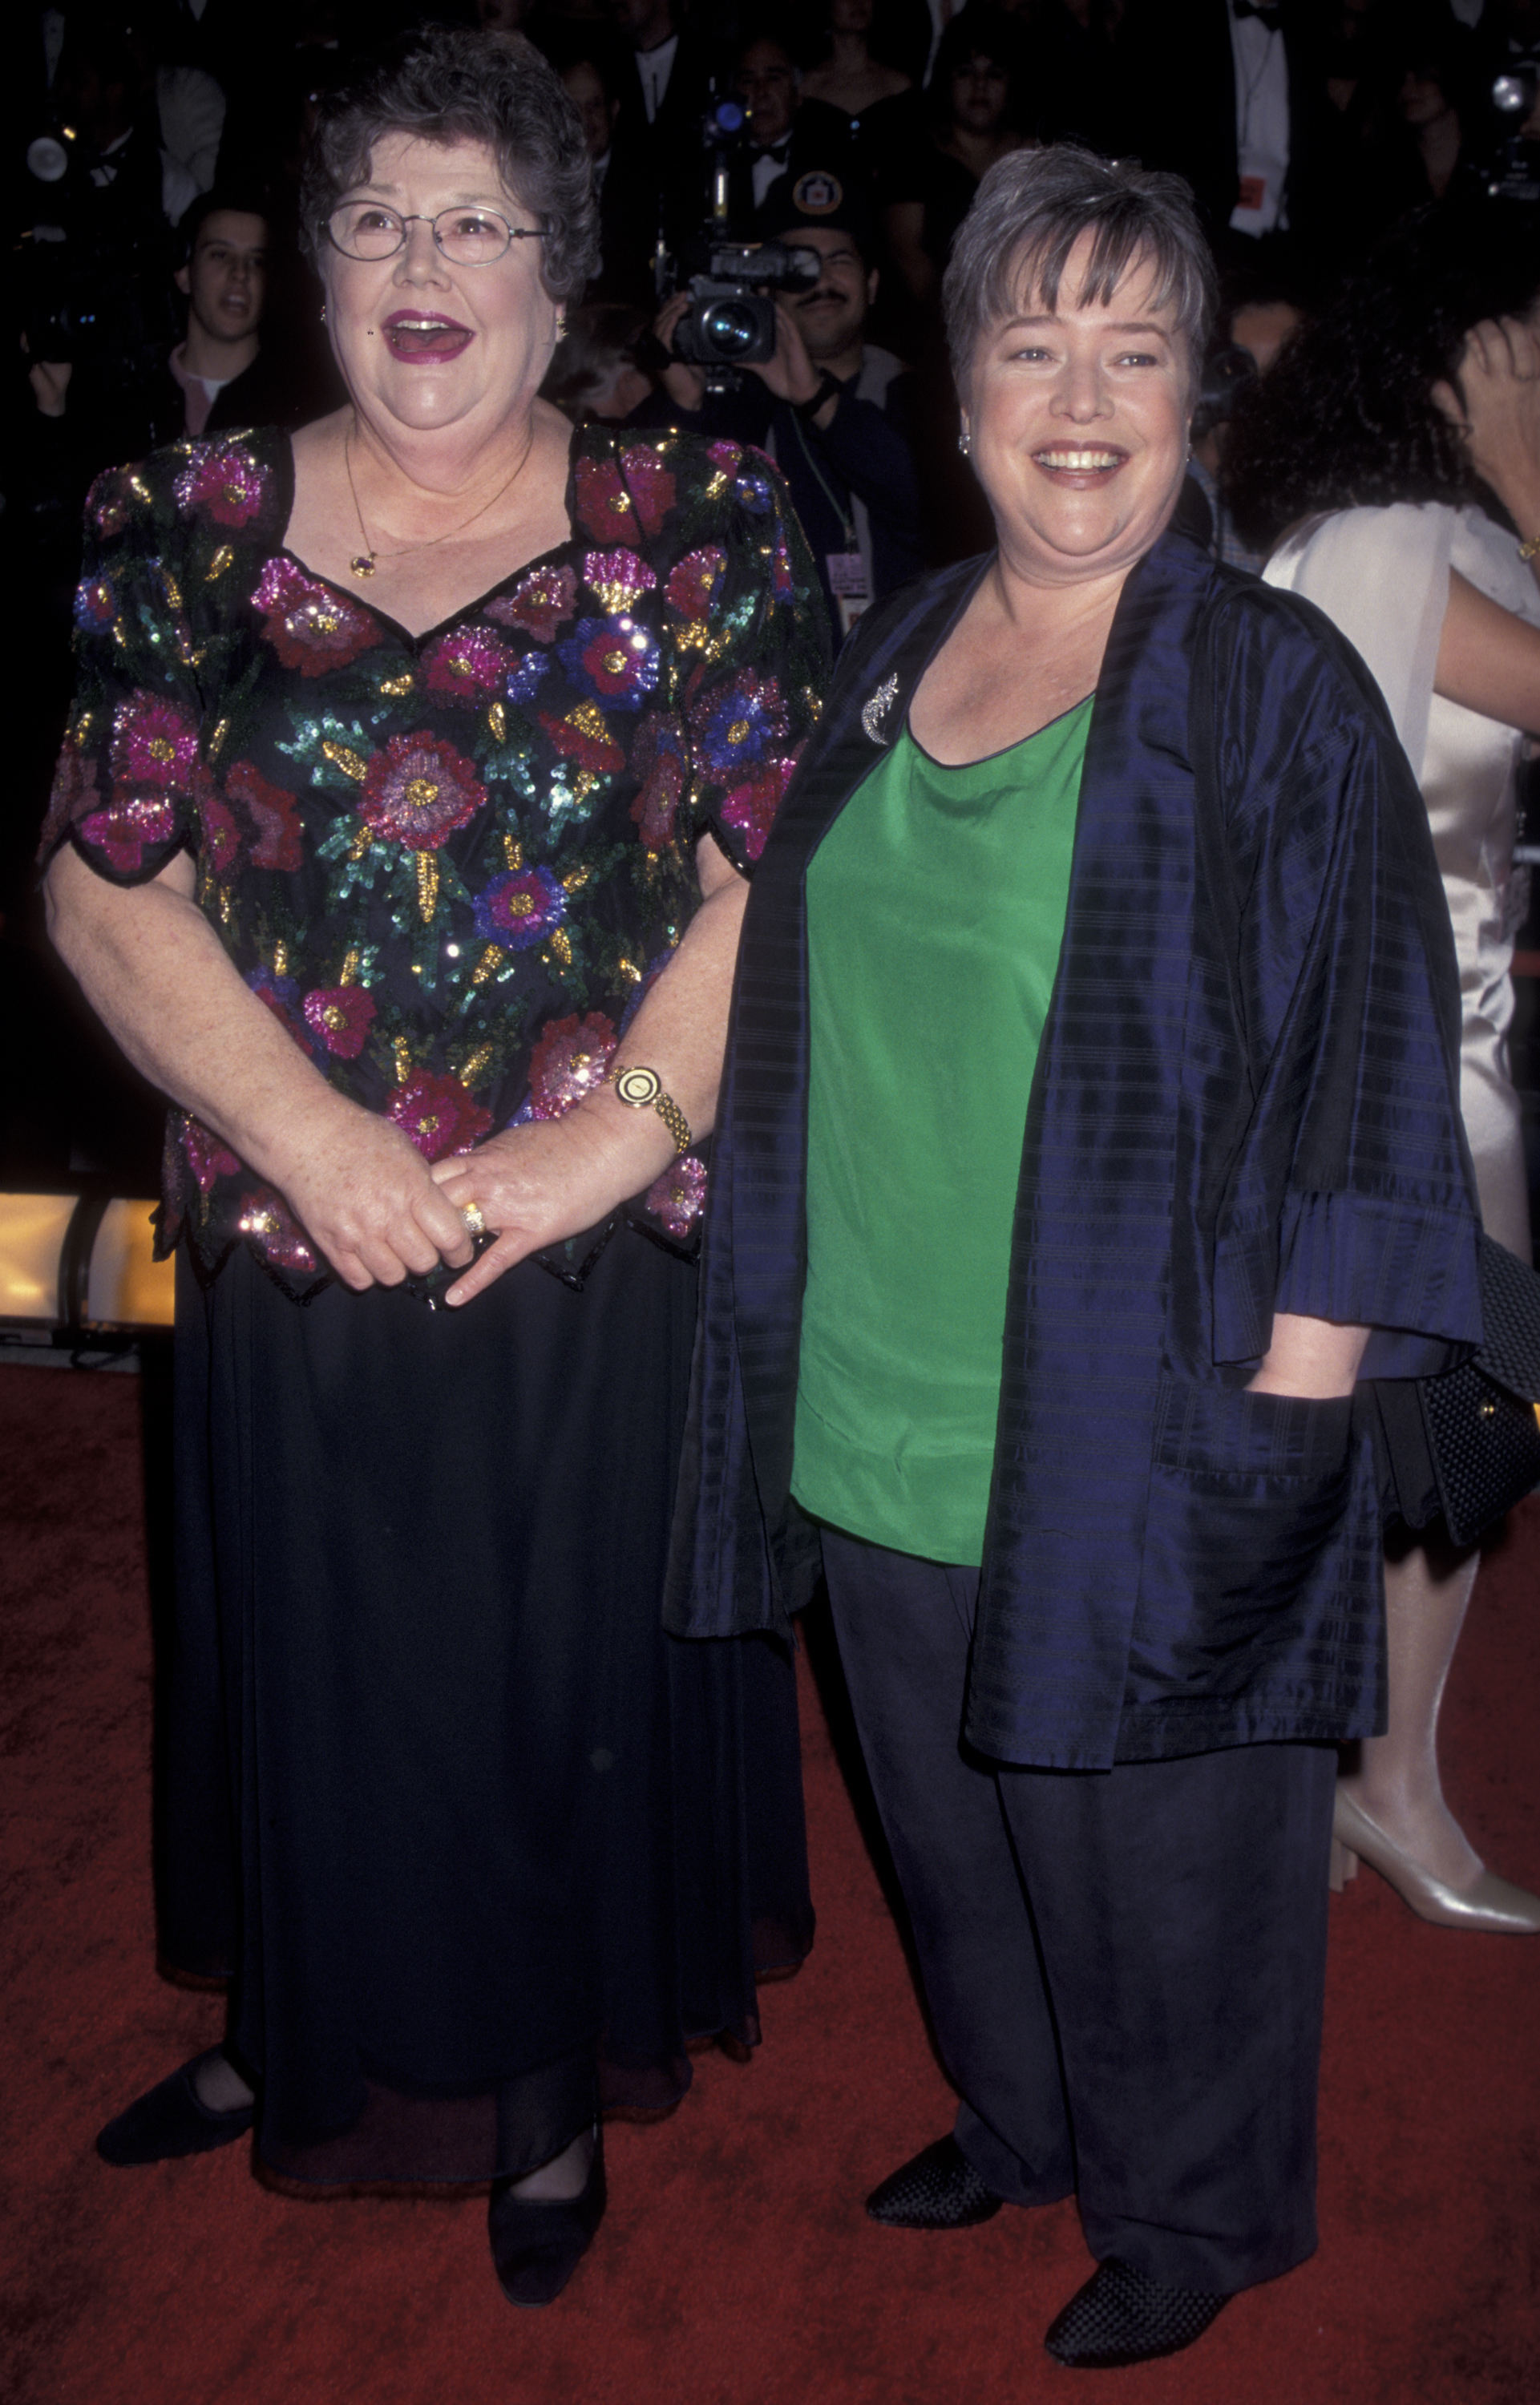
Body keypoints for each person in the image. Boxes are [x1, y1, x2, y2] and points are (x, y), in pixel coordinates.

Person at [665, 146, 1484, 2369]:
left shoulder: (1271, 682)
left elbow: (1365, 1060)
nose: (1084, 395)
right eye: (1033, 345)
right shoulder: (905, 639)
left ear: (1199, 389)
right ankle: (1022, 2119)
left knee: (1170, 1873)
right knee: (956, 1832)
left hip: (1153, 1414)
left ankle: (1200, 2213)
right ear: (960, 397)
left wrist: (1288, 1421)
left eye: (1135, 347)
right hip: (879, 1388)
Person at [41, 24, 820, 2310]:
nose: (422, 257)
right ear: (318, 265)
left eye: (479, 218)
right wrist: (313, 1135)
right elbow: (101, 881)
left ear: (558, 284)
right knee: (302, 1652)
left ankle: (541, 2066)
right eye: (380, 211)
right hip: (300, 1223)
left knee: (538, 1667)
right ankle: (312, 2021)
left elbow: (779, 879)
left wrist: (612, 1140)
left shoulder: (692, 527)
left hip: (585, 1239)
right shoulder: (178, 527)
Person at [1224, 217, 1540, 1933]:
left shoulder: (1373, 534)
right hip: (1420, 1068)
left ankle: (1339, 1794)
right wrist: (1521, 463)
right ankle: (1387, 1792)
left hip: (1383, 1056)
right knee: (1450, 1435)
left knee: (1382, 1441)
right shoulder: (1406, 538)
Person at [635, 164, 922, 642]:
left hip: (899, 672)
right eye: (800, 267)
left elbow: (927, 511)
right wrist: (681, 406)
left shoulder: (915, 394)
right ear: (766, 288)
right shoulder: (738, 407)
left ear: (871, 285)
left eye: (840, 261)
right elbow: (650, 536)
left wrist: (817, 398)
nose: (821, 281)